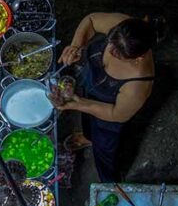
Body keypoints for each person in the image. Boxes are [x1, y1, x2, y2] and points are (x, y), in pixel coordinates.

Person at [53, 13, 165, 182]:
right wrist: (76, 45)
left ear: (139, 58)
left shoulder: (138, 83)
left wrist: (79, 104)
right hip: (91, 88)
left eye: (118, 54)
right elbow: (90, 21)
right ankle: (88, 137)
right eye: (110, 43)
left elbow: (116, 114)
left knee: (105, 148)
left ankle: (110, 181)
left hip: (109, 116)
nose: (110, 52)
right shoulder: (123, 29)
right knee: (88, 121)